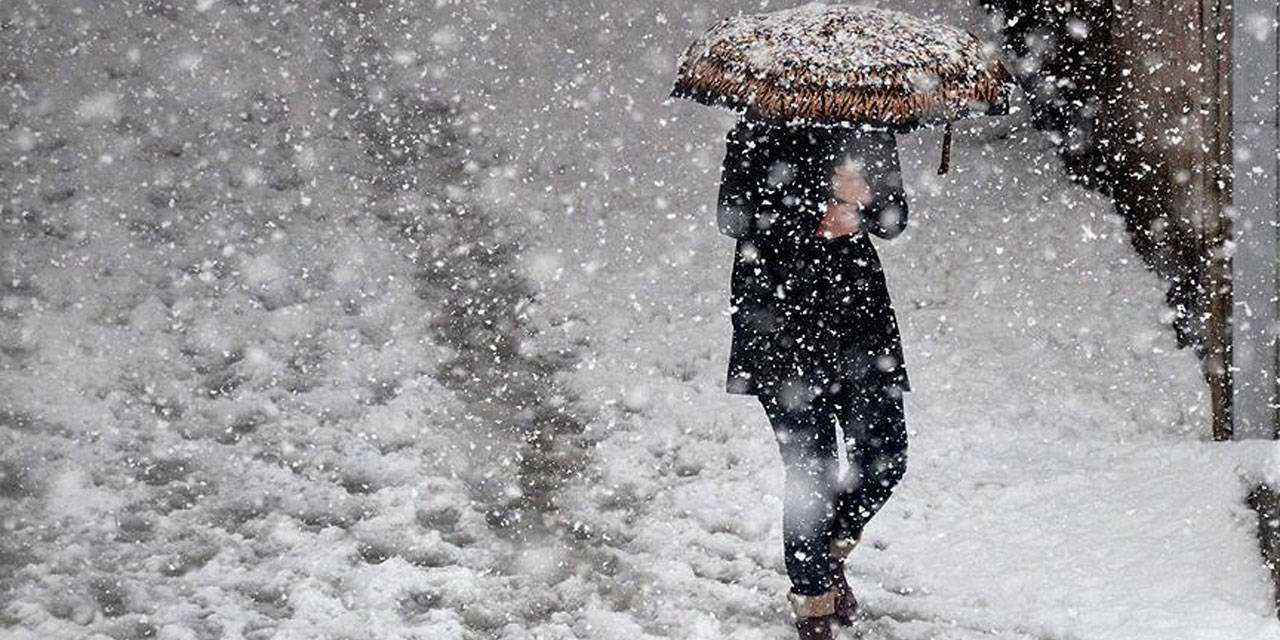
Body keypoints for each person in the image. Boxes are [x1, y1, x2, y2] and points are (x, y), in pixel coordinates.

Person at [716, 115, 911, 640]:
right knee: (812, 473)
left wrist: (864, 204)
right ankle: (812, 603)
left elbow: (894, 220)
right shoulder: (757, 128)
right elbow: (733, 218)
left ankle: (828, 552)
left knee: (885, 457)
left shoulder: (870, 127)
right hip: (779, 320)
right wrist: (817, 205)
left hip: (858, 322)